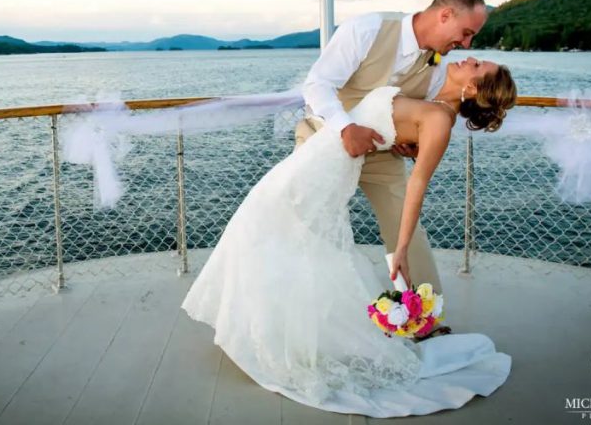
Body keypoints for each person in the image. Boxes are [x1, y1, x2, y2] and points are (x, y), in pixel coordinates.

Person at [181, 58, 517, 417]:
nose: (469, 58)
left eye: (477, 65)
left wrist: (401, 247)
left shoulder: (439, 120)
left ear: (473, 88)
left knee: (275, 236)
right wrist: (399, 139)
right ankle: (278, 328)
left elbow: (417, 185)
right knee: (269, 234)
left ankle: (288, 337)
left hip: (322, 172)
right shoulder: (430, 103)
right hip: (313, 160)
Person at [297, 0, 489, 340]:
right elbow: (317, 85)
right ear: (445, 15)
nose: (466, 45)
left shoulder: (436, 69)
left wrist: (408, 144)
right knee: (308, 229)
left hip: (381, 156)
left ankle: (423, 318)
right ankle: (302, 318)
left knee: (407, 228)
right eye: (465, 33)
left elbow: (407, 116)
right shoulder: (367, 30)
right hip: (323, 140)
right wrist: (345, 128)